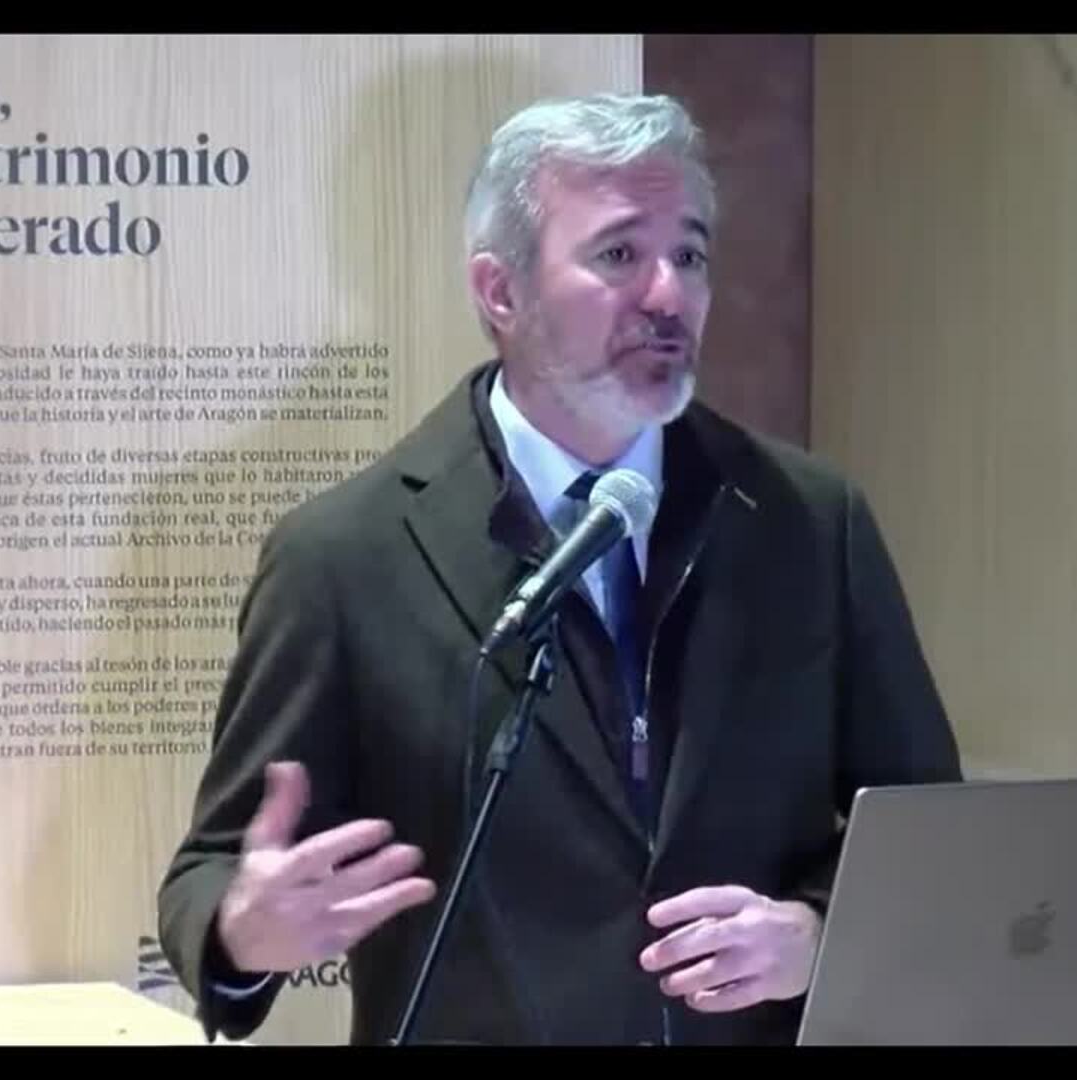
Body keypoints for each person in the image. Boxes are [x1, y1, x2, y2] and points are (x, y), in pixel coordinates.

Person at [156, 91, 962, 1047]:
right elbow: (211, 873)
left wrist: (818, 938)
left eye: (690, 256)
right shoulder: (344, 557)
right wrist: (244, 934)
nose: (668, 295)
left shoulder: (809, 522)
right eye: (619, 255)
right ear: (502, 292)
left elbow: (926, 835)